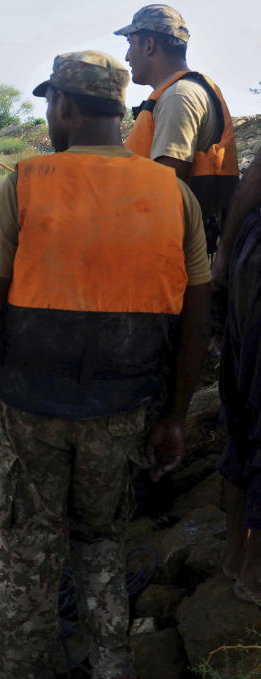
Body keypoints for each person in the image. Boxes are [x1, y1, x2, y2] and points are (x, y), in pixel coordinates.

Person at [0, 51, 211, 677]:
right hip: (124, 409)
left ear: (64, 105)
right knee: (100, 546)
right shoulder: (173, 193)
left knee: (25, 557)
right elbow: (196, 321)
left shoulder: (28, 182)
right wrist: (174, 416)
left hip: (30, 412)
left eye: (49, 105)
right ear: (118, 109)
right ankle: (112, 665)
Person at [117, 3, 239, 254]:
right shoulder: (179, 93)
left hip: (181, 259)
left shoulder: (178, 97)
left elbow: (167, 187)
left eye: (130, 43)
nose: (127, 56)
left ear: (149, 45)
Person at [217, 147, 261, 605]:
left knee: (241, 412)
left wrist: (226, 250)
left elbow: (257, 171)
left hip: (249, 251)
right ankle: (255, 573)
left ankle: (235, 553)